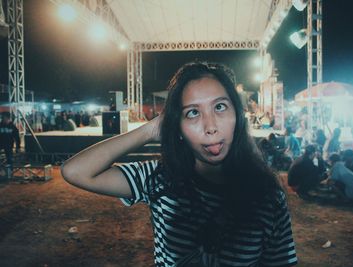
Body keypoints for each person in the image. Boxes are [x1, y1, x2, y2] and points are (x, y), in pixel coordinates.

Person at [61, 62, 297, 267]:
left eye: (220, 107)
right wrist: (150, 129)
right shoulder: (158, 178)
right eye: (193, 113)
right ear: (178, 127)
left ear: (238, 113)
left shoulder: (267, 196)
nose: (210, 126)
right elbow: (76, 171)